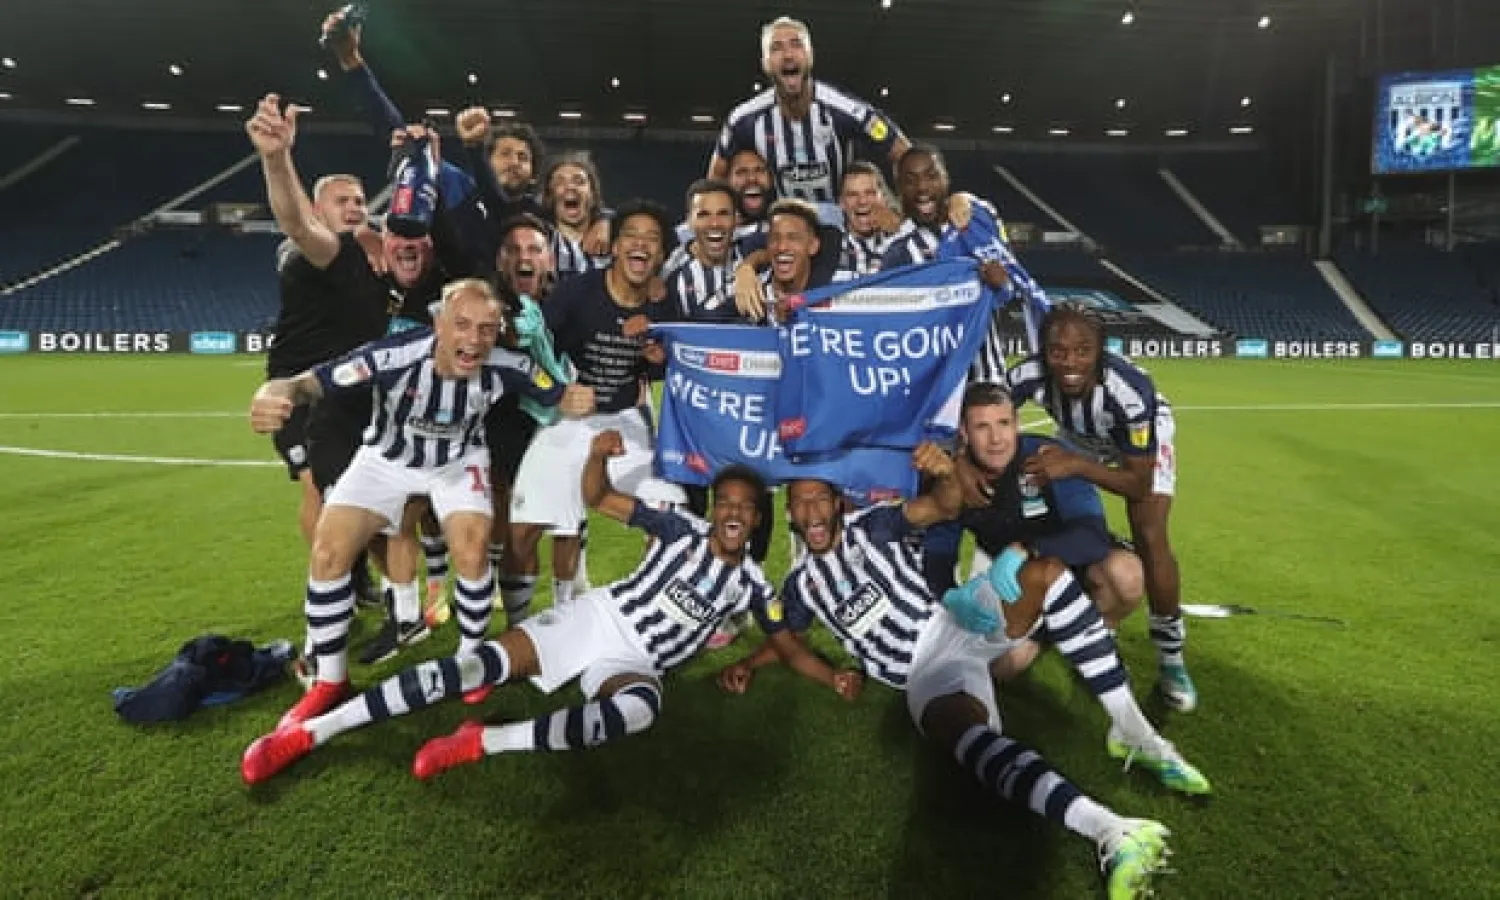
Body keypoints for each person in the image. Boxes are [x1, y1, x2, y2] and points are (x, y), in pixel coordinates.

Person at [718, 448, 1200, 898]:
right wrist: (750, 663)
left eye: (820, 499)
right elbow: (789, 640)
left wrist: (947, 474)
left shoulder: (875, 527)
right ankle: (1114, 831)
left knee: (1046, 573)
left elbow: (940, 508)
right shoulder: (801, 586)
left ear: (837, 503)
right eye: (800, 504)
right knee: (965, 740)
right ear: (790, 516)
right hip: (923, 667)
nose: (812, 512)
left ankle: (1133, 730)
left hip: (956, 617)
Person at [240, 437, 774, 784]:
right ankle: (313, 732)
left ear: (756, 521)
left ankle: (482, 741)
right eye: (724, 501)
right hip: (597, 620)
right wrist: (595, 457)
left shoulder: (752, 583)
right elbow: (599, 496)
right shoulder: (679, 527)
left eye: (745, 506)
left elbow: (785, 632)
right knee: (473, 669)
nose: (732, 511)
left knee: (637, 714)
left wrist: (750, 664)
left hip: (637, 665)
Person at [246, 278, 595, 727]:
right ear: (439, 323)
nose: (474, 340)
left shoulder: (511, 365)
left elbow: (557, 390)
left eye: (487, 329)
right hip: (385, 460)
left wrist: (574, 397)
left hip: (458, 462)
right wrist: (275, 391)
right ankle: (331, 681)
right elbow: (309, 383)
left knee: (471, 547)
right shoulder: (392, 356)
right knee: (330, 551)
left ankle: (472, 661)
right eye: (462, 325)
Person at [1005, 303, 1198, 712]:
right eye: (1058, 352)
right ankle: (1070, 602)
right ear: (1043, 351)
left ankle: (1171, 660)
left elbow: (1138, 483)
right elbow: (994, 416)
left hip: (1134, 448)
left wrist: (1075, 466)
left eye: (1083, 351)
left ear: (1101, 351)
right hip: (1076, 435)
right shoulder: (1027, 374)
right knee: (1036, 489)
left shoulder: (1130, 393)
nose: (1070, 363)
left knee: (1149, 534)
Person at [505, 200, 686, 618]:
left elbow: (665, 365)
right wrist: (558, 394)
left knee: (667, 515)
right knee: (526, 527)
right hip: (569, 417)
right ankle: (519, 625)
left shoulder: (663, 303)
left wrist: (659, 362)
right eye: (631, 235)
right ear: (615, 246)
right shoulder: (578, 291)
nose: (641, 245)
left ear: (660, 256)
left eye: (652, 240)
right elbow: (534, 353)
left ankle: (648, 613)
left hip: (626, 421)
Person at [942, 382, 1145, 679]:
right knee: (1002, 670)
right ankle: (1047, 629)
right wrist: (947, 593)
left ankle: (1102, 634)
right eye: (982, 427)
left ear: (1017, 424)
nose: (996, 439)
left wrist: (1025, 548)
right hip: (1020, 580)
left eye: (1004, 423)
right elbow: (939, 548)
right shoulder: (957, 478)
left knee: (1126, 575)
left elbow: (1092, 535)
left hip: (1073, 563)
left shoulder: (1047, 455)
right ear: (964, 432)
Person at [708, 16, 908, 217]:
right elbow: (716, 177)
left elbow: (903, 152)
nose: (787, 55)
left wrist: (902, 212)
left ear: (810, 55)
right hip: (782, 222)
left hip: (837, 221)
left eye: (796, 44)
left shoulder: (845, 109)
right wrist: (732, 219)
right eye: (776, 48)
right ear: (765, 63)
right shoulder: (743, 119)